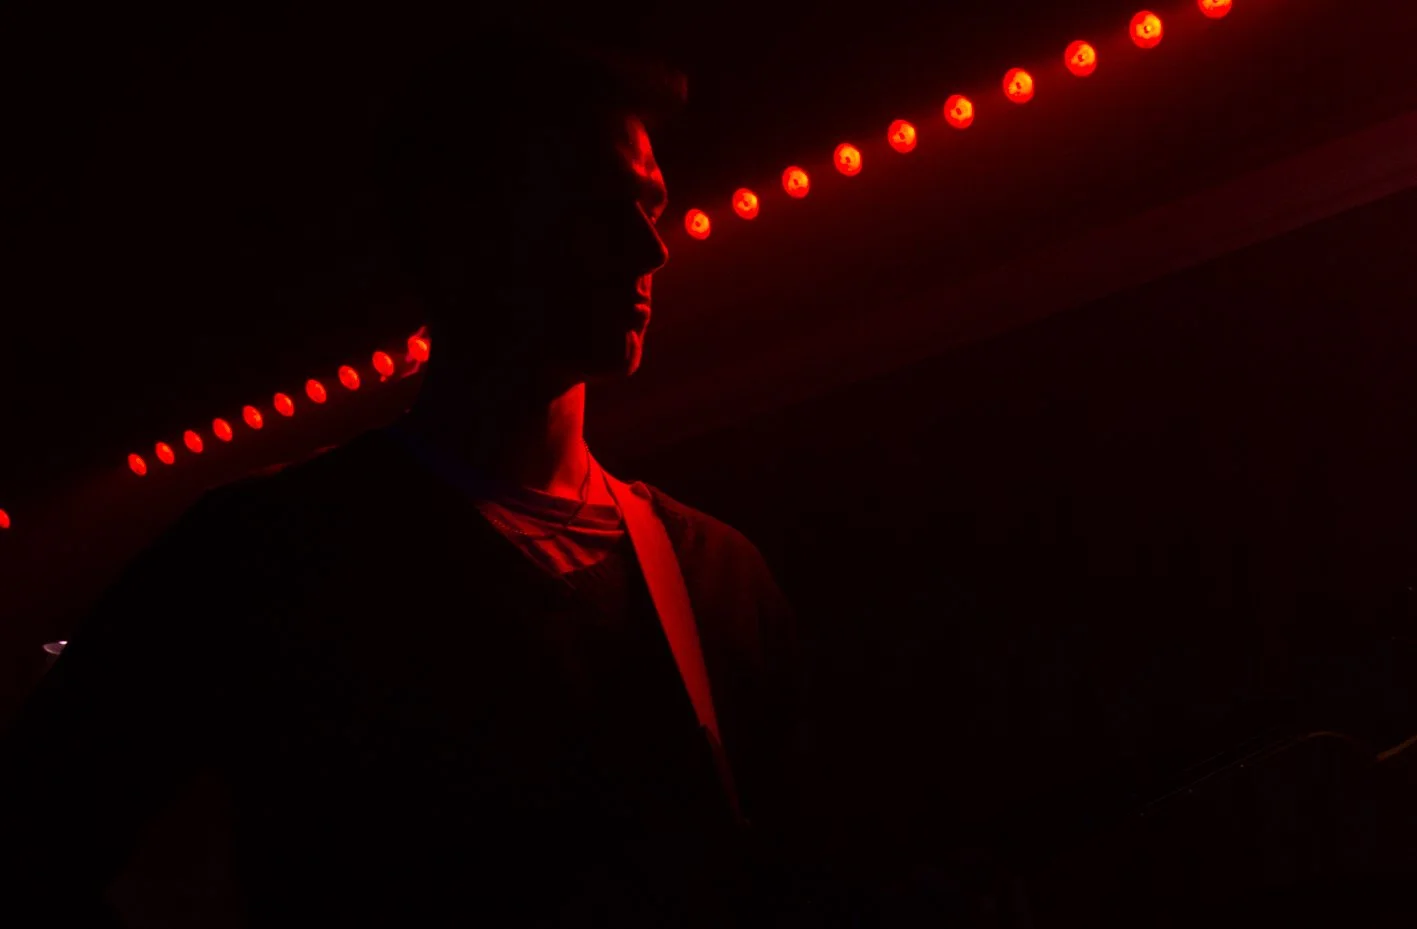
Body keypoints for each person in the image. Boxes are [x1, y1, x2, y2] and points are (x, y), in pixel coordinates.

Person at [0, 32, 818, 928]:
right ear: (460, 232)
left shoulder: (723, 581)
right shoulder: (261, 556)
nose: (648, 249)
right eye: (593, 207)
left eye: (651, 205)